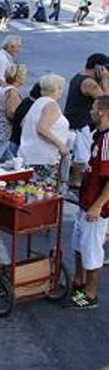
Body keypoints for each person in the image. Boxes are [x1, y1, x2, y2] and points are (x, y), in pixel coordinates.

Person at [68, 96, 109, 309]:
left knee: (92, 251)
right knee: (79, 244)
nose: (90, 111)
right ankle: (79, 281)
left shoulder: (108, 140)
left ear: (102, 112)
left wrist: (98, 205)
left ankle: (90, 295)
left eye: (93, 108)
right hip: (85, 202)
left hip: (95, 208)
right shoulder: (97, 134)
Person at [19, 74, 71, 183]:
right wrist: (61, 145)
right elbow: (42, 128)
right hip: (43, 157)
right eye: (61, 88)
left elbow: (23, 123)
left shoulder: (38, 102)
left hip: (29, 154)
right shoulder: (51, 105)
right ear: (57, 89)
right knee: (42, 188)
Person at [64, 54, 109, 159]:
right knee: (82, 162)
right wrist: (105, 80)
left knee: (77, 161)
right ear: (98, 68)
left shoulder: (78, 76)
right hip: (82, 128)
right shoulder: (89, 83)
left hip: (74, 124)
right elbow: (106, 103)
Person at [0, 65, 28, 166]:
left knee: (9, 157)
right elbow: (11, 113)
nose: (25, 78)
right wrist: (22, 121)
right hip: (4, 129)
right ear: (18, 78)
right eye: (24, 75)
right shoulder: (13, 92)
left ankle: (15, 170)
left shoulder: (2, 88)